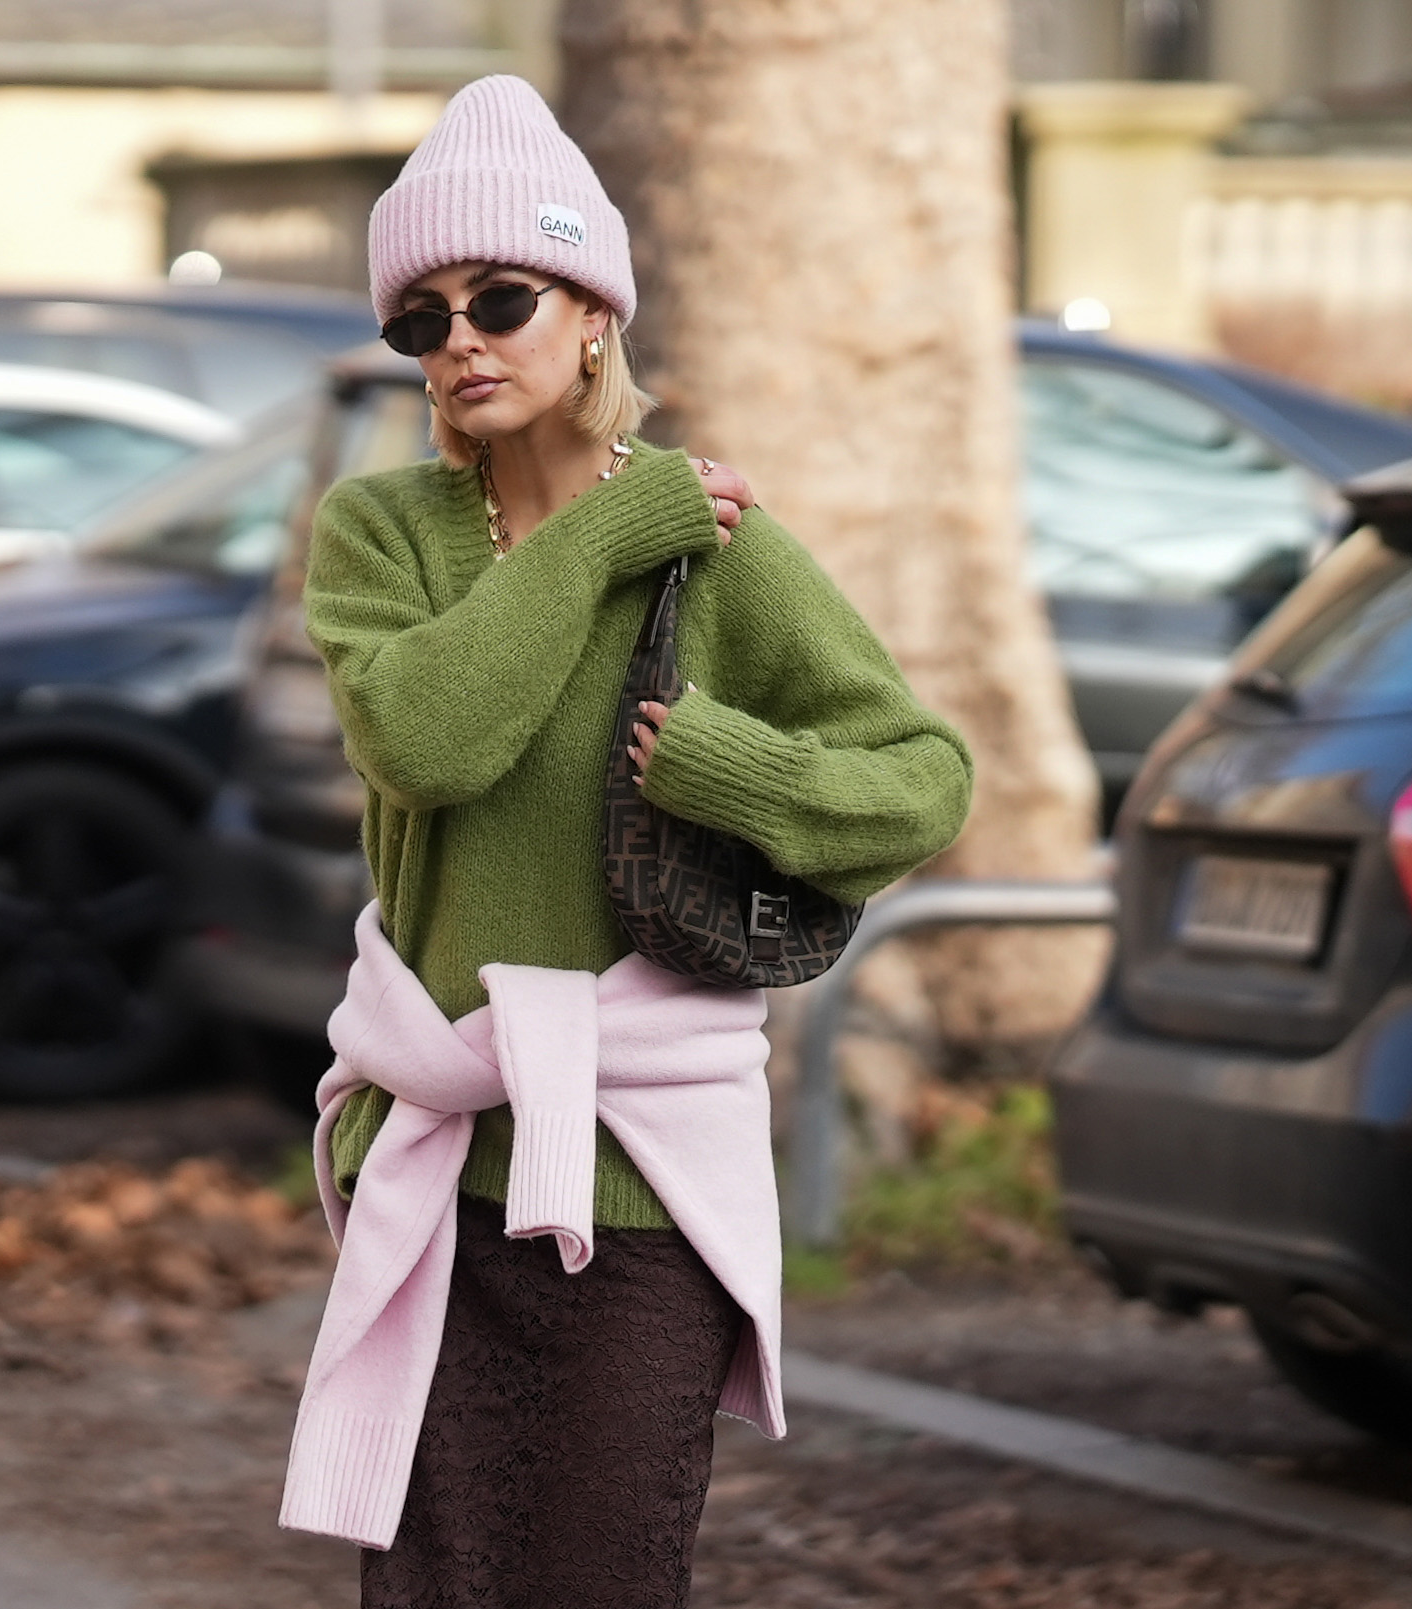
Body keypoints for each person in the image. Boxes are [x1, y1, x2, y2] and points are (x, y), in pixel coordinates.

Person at [278, 75, 974, 1609]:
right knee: (437, 1587)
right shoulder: (384, 533)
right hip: (441, 1163)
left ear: (593, 313)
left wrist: (734, 768)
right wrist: (603, 532)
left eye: (501, 298)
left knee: (602, 1575)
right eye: (421, 318)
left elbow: (924, 780)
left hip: (647, 1177)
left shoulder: (717, 551)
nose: (460, 340)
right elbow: (427, 738)